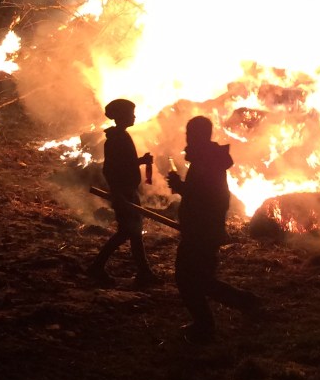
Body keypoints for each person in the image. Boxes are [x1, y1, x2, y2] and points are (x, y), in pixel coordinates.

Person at [166, 115, 259, 343]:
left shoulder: (206, 162)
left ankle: (208, 323)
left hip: (203, 230)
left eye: (190, 134)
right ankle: (245, 303)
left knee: (190, 278)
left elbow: (207, 197)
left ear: (199, 135)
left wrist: (181, 188)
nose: (187, 138)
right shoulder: (205, 159)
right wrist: (184, 189)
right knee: (198, 278)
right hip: (201, 228)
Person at [88, 98, 159, 288]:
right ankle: (97, 266)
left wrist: (140, 161)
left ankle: (144, 272)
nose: (134, 116)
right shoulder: (115, 140)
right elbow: (111, 169)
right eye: (130, 113)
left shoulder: (121, 136)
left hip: (128, 190)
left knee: (134, 233)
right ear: (121, 116)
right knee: (126, 232)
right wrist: (118, 193)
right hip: (124, 192)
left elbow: (124, 163)